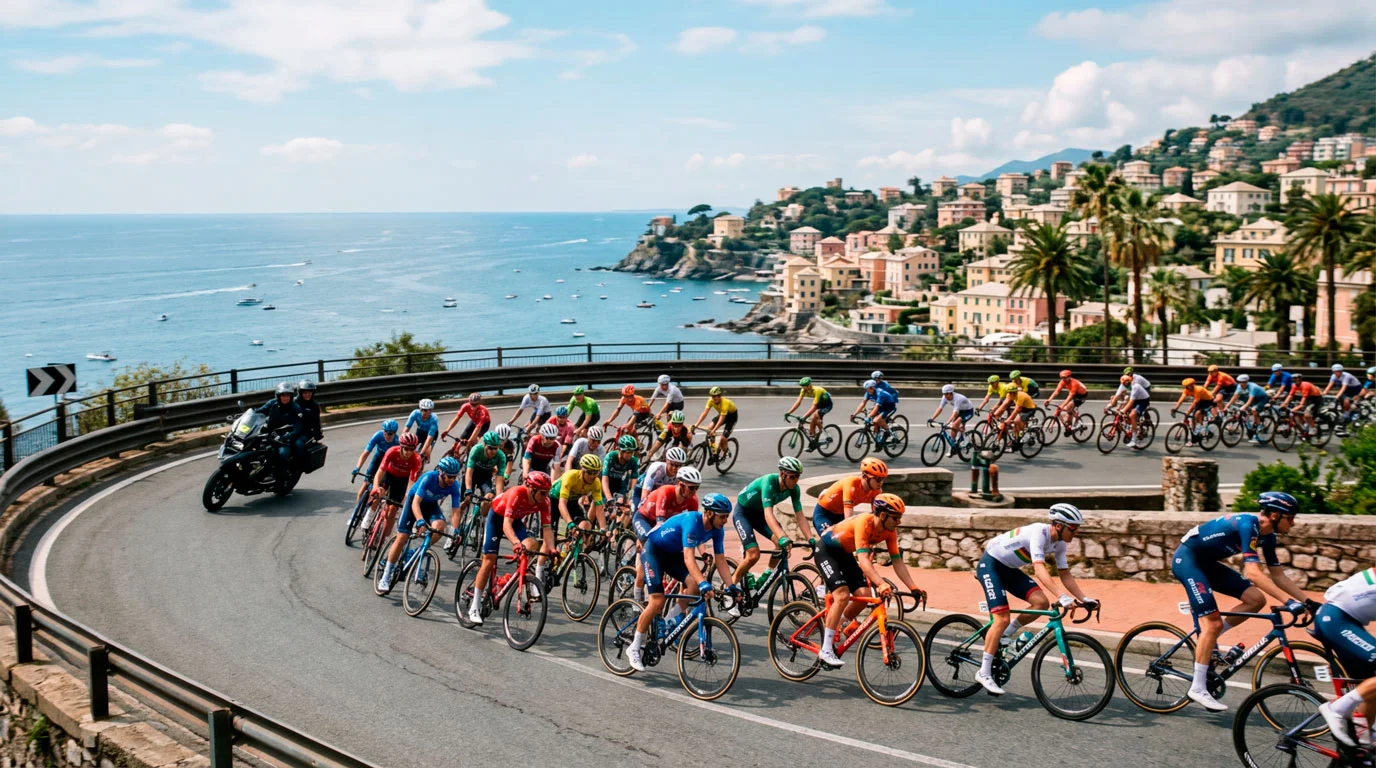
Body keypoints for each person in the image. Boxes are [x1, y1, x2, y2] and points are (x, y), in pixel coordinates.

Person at [1171, 492, 1316, 711]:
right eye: (1291, 517)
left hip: (1207, 564)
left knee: (1255, 599)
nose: (1293, 523)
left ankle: (1210, 639)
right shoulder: (1248, 524)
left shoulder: (1268, 537)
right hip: (1188, 560)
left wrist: (1307, 601)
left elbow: (1278, 575)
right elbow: (1253, 574)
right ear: (1276, 515)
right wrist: (1289, 602)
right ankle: (1198, 688)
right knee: (1213, 622)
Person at [974, 504, 1096, 695]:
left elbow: (1065, 574)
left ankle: (1005, 634)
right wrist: (1062, 596)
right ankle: (984, 672)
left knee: (1041, 603)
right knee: (1001, 617)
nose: (1076, 532)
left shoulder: (1060, 544)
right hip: (990, 565)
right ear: (1058, 526)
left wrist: (1083, 598)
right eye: (1072, 528)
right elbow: (1039, 570)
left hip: (1008, 569)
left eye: (1077, 528)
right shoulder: (1039, 533)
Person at [626, 494, 736, 672]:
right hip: (653, 551)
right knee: (657, 601)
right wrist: (703, 583)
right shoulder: (692, 522)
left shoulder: (717, 530)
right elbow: (688, 558)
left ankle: (669, 621)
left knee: (692, 584)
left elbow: (721, 560)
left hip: (671, 555)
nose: (725, 520)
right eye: (722, 516)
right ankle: (634, 647)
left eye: (726, 516)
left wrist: (731, 586)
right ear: (708, 514)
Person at [813, 494, 922, 667]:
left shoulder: (889, 531)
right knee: (842, 595)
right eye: (896, 518)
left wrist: (913, 587)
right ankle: (825, 650)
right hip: (826, 551)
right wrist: (881, 583)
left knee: (863, 594)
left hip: (843, 554)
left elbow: (897, 561)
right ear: (883, 515)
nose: (898, 522)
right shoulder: (864, 522)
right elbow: (863, 561)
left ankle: (838, 624)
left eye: (900, 518)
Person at [465, 472, 557, 626]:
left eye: (547, 492)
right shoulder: (517, 493)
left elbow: (547, 529)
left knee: (532, 544)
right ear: (531, 489)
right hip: (497, 518)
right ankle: (474, 607)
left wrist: (552, 549)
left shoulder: (545, 501)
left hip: (515, 520)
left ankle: (520, 575)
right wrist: (515, 543)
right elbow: (506, 525)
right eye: (542, 492)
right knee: (489, 561)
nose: (545, 496)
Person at [376, 456, 462, 594]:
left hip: (430, 505)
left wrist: (456, 531)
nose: (452, 480)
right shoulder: (429, 478)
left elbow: (456, 512)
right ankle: (386, 576)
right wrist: (420, 520)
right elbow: (415, 503)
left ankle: (416, 553)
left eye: (454, 477)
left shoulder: (454, 486)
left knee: (440, 527)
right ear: (441, 473)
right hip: (414, 502)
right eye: (449, 476)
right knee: (403, 536)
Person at [730, 457, 808, 601]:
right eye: (792, 477)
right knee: (753, 555)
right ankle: (730, 587)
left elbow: (800, 516)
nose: (795, 480)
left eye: (798, 476)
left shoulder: (794, 489)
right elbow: (768, 514)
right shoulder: (769, 482)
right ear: (782, 474)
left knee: (780, 545)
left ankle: (767, 574)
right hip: (744, 513)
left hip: (758, 514)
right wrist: (782, 535)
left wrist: (811, 538)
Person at [1314, 567, 1376, 747]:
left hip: (1348, 621)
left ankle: (1361, 740)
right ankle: (1336, 709)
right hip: (1335, 619)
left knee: (1371, 687)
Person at [631, 466, 702, 602]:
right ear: (680, 485)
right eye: (691, 488)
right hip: (645, 519)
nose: (694, 492)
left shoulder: (693, 500)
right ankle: (637, 593)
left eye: (696, 488)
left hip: (663, 524)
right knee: (648, 543)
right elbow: (659, 527)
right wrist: (641, 539)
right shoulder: (666, 492)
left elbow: (692, 526)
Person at [812, 458, 887, 533]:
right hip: (824, 512)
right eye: (878, 479)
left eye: (883, 479)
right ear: (865, 476)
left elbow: (876, 516)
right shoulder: (851, 484)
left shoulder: (877, 491)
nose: (881, 483)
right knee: (829, 537)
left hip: (839, 514)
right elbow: (848, 519)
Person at [366, 432, 422, 532]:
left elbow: (412, 480)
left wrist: (406, 497)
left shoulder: (416, 459)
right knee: (378, 494)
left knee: (392, 510)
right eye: (406, 448)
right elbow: (380, 471)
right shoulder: (392, 451)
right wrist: (375, 487)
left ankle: (384, 538)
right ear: (401, 446)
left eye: (412, 449)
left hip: (402, 481)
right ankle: (368, 517)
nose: (408, 452)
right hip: (388, 475)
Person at [459, 431, 508, 537]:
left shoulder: (501, 456)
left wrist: (499, 497)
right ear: (484, 445)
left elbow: (499, 479)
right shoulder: (476, 450)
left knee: (489, 497)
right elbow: (469, 472)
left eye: (496, 448)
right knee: (463, 503)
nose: (493, 451)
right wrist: (468, 490)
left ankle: (475, 521)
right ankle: (455, 530)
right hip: (472, 476)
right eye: (490, 448)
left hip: (485, 478)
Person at [552, 453, 607, 535]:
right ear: (582, 470)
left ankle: (574, 545)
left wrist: (603, 528)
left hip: (572, 501)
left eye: (595, 473)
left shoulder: (596, 482)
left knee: (586, 525)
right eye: (589, 472)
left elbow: (599, 506)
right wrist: (570, 523)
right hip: (555, 500)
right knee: (551, 535)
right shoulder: (570, 477)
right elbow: (562, 504)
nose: (592, 476)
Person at [255, 382, 303, 469]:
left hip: (284, 438)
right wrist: (247, 413)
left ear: (291, 396)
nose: (285, 398)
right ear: (278, 396)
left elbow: (298, 426)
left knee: (282, 454)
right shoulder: (272, 404)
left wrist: (288, 435)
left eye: (287, 395)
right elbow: (259, 411)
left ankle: (282, 478)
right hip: (270, 434)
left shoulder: (296, 408)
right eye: (283, 395)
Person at [353, 419, 399, 508]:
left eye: (391, 433)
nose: (387, 435)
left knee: (382, 487)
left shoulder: (397, 442)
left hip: (388, 463)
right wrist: (357, 467)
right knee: (365, 485)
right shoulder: (378, 436)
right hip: (378, 458)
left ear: (395, 433)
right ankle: (355, 513)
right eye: (385, 432)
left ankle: (376, 509)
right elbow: (365, 453)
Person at [691, 387, 738, 463]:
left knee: (723, 437)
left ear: (719, 396)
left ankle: (725, 452)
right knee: (709, 428)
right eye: (712, 396)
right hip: (722, 415)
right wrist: (696, 424)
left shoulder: (725, 402)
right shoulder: (710, 401)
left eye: (716, 396)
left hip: (731, 417)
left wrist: (714, 430)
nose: (714, 398)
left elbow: (721, 420)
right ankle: (715, 451)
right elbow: (704, 414)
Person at [634, 446, 687, 513]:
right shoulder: (657, 468)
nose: (674, 468)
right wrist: (643, 507)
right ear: (667, 461)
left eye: (678, 466)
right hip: (641, 490)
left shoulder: (681, 475)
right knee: (638, 512)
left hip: (660, 494)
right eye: (672, 464)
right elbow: (646, 490)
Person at [601, 434, 641, 522]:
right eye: (627, 452)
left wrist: (630, 496)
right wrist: (609, 499)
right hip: (606, 481)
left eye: (631, 452)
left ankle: (616, 530)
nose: (630, 455)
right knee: (601, 505)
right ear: (620, 450)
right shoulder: (610, 457)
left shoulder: (634, 461)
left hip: (620, 483)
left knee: (622, 505)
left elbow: (634, 481)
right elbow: (604, 480)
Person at [1106, 373, 1152, 449]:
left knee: (1132, 415)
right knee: (1124, 410)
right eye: (1123, 384)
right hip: (1136, 398)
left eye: (1125, 384)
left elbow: (1131, 402)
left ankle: (1134, 440)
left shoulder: (1135, 386)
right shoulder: (1125, 383)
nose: (1124, 386)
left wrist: (1123, 410)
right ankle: (1130, 426)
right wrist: (1110, 405)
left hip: (1143, 400)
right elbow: (1118, 394)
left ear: (1128, 382)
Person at [785, 377, 833, 444]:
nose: (806, 388)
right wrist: (789, 412)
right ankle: (815, 437)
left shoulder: (817, 390)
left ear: (810, 384)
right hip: (819, 403)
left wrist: (804, 417)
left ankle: (824, 436)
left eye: (807, 385)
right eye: (803, 386)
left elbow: (814, 407)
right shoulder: (803, 390)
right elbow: (798, 402)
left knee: (814, 417)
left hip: (827, 405)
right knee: (814, 420)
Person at [1224, 374, 1270, 444]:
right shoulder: (1239, 386)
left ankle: (1256, 431)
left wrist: (1244, 407)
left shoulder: (1253, 387)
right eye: (1240, 382)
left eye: (1243, 382)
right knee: (1243, 405)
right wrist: (1227, 405)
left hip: (1262, 398)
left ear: (1247, 382)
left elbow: (1250, 400)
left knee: (1254, 411)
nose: (1241, 384)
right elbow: (1234, 396)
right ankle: (1249, 424)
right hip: (1254, 398)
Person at [851, 379, 897, 445]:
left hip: (889, 406)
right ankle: (877, 438)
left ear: (872, 388)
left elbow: (877, 407)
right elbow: (863, 403)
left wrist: (869, 417)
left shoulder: (880, 393)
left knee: (876, 420)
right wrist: (854, 414)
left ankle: (888, 432)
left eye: (867, 389)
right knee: (871, 418)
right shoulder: (868, 392)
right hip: (881, 405)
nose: (866, 390)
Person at [1170, 378, 1215, 444]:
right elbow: (1181, 399)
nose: (1187, 387)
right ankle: (1194, 435)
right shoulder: (1186, 390)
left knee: (1197, 415)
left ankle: (1202, 431)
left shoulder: (1198, 390)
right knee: (1193, 419)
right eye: (1186, 386)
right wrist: (1175, 408)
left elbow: (1195, 403)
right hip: (1200, 401)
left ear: (1192, 385)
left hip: (1208, 401)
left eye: (1189, 386)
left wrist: (1188, 411)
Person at [1324, 364, 1364, 428]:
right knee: (1341, 400)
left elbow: (1343, 388)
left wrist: (1337, 396)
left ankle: (1347, 416)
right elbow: (1329, 386)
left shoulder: (1346, 376)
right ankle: (1344, 412)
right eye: (1335, 372)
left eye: (1339, 371)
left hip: (1355, 388)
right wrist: (1324, 394)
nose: (1337, 373)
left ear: (1341, 371)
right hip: (1347, 389)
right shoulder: (1333, 376)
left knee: (1346, 401)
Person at [294, 380, 323, 464]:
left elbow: (316, 422)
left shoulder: (314, 405)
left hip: (305, 433)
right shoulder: (294, 403)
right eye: (305, 393)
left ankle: (298, 464)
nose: (307, 395)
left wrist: (318, 435)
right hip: (291, 430)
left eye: (309, 392)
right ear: (300, 393)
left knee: (298, 444)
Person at [405, 399, 440, 465]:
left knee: (426, 451)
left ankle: (426, 458)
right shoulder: (415, 413)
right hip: (420, 431)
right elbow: (407, 428)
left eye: (426, 410)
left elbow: (429, 438)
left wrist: (421, 454)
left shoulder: (434, 419)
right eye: (422, 410)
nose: (423, 412)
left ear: (430, 411)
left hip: (431, 434)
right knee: (411, 445)